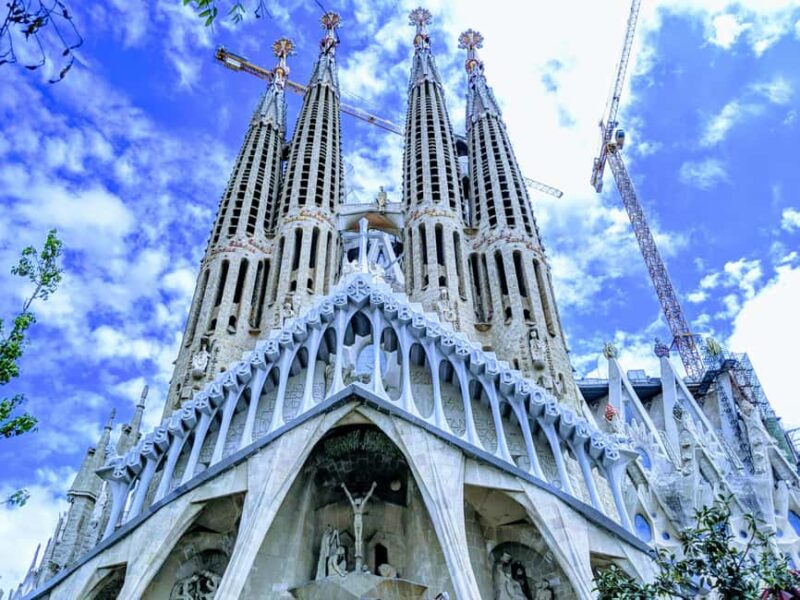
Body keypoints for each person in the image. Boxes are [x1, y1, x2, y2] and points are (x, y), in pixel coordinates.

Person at [342, 481, 377, 571]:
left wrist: (373, 487)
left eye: (358, 501)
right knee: (357, 538)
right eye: (357, 501)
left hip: (359, 521)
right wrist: (344, 487)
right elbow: (349, 496)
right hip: (356, 521)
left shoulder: (361, 507)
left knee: (359, 538)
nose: (357, 502)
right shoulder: (354, 506)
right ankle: (357, 552)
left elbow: (368, 496)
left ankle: (359, 552)